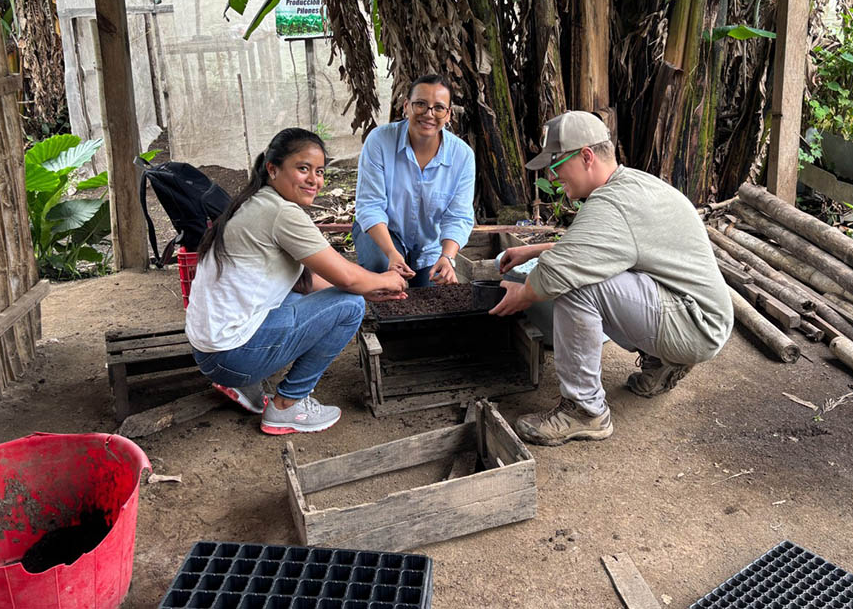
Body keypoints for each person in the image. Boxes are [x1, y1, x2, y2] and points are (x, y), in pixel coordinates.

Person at [491, 111, 733, 446]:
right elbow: (602, 246)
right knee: (589, 268)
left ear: (586, 157)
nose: (553, 175)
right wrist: (535, 250)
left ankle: (584, 411)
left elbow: (562, 270)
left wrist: (522, 294)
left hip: (694, 325)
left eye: (556, 165)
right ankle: (663, 362)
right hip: (698, 315)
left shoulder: (613, 203)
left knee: (575, 284)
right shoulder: (630, 185)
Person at [185, 128, 408, 435]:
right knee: (351, 306)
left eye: (320, 171)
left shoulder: (256, 201)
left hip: (211, 351)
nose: (314, 180)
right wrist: (385, 279)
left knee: (318, 298)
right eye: (303, 168)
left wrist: (370, 288)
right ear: (273, 169)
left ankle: (244, 384)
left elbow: (309, 281)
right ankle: (287, 405)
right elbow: (346, 276)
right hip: (230, 357)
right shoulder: (280, 213)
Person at [353, 75, 475, 287]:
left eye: (439, 108)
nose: (428, 114)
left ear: (448, 115)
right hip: (383, 233)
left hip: (430, 246)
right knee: (382, 266)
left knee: (432, 293)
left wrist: (447, 257)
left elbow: (458, 216)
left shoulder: (462, 156)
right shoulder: (379, 141)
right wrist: (392, 253)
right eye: (420, 104)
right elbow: (370, 206)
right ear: (406, 106)